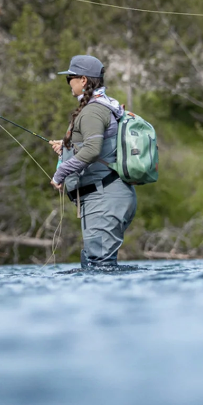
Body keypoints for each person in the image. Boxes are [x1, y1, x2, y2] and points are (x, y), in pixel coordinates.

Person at [49, 55, 137, 270]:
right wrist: (68, 147)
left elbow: (91, 150)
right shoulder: (105, 105)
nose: (68, 82)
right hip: (106, 198)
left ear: (83, 80)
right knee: (97, 265)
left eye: (70, 77)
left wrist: (60, 175)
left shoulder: (93, 110)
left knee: (100, 267)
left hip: (104, 199)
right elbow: (100, 145)